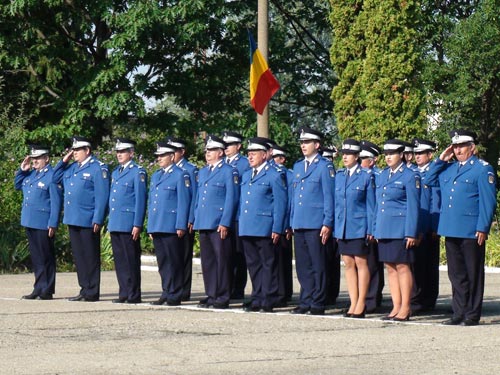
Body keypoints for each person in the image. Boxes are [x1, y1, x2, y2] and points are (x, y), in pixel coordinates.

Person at [425, 130, 496, 326]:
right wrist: (440, 160)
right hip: (450, 228)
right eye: (455, 147)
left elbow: (487, 202)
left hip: (471, 229)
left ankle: (472, 314)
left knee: (473, 273)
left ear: (472, 147)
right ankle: (459, 311)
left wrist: (483, 227)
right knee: (456, 274)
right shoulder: (448, 169)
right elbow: (428, 180)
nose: (458, 150)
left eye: (462, 146)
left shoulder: (482, 169)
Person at [53, 136, 110, 302]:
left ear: (87, 150)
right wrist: (63, 161)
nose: (74, 153)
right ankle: (84, 288)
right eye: (73, 150)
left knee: (90, 256)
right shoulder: (71, 168)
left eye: (77, 150)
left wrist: (98, 219)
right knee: (79, 257)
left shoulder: (98, 168)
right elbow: (54, 178)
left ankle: (92, 291)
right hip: (73, 218)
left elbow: (102, 196)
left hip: (88, 219)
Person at [290, 127, 335, 315]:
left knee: (318, 264)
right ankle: (305, 299)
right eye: (301, 142)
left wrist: (327, 222)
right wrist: (292, 220)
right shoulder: (298, 166)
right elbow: (294, 196)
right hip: (300, 222)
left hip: (316, 222)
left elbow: (329, 196)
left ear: (317, 145)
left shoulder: (325, 166)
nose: (303, 145)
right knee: (302, 265)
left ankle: (318, 301)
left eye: (307, 142)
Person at [239, 138, 288, 313]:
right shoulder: (246, 175)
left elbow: (280, 204)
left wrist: (277, 228)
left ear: (265, 155)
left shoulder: (274, 175)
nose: (250, 157)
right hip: (248, 226)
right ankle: (257, 296)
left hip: (265, 226)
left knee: (268, 264)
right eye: (248, 154)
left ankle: (268, 298)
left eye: (254, 154)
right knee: (253, 265)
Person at [373, 139, 420, 321]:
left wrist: (411, 232)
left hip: (400, 228)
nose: (388, 157)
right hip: (385, 227)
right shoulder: (383, 175)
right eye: (386, 154)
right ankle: (396, 306)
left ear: (401, 155)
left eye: (392, 154)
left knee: (402, 266)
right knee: (390, 267)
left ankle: (406, 307)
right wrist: (376, 228)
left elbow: (413, 207)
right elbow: (379, 204)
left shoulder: (409, 175)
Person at [194, 135, 239, 309]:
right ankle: (211, 293)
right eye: (207, 150)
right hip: (204, 221)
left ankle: (222, 295)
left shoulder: (228, 171)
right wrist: (195, 218)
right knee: (208, 261)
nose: (208, 153)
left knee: (222, 260)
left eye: (211, 150)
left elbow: (231, 198)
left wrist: (225, 222)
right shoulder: (204, 171)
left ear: (220, 152)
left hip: (218, 223)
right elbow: (199, 198)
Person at [15, 144, 62, 300]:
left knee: (46, 256)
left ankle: (47, 289)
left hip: (43, 222)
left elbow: (56, 202)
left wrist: (53, 223)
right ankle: (38, 287)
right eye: (33, 158)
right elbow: (17, 185)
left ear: (46, 159)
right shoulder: (31, 175)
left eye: (37, 158)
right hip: (30, 220)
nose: (34, 161)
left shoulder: (52, 175)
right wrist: (23, 169)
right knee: (36, 257)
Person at [334, 139, 375, 318]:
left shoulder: (366, 176)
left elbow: (371, 205)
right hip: (343, 226)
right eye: (343, 154)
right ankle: (353, 301)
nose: (345, 157)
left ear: (357, 156)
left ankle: (361, 302)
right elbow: (337, 204)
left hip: (359, 225)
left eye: (349, 154)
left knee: (361, 262)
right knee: (348, 263)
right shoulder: (340, 175)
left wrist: (371, 229)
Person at [148, 142, 191, 306]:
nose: (159, 158)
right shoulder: (156, 175)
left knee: (174, 261)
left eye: (162, 155)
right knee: (163, 262)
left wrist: (181, 225)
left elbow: (183, 202)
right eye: (158, 156)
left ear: (172, 157)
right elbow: (153, 203)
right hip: (158, 224)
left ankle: (175, 293)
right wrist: (151, 226)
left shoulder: (180, 175)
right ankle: (166, 291)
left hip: (171, 225)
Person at [108, 138, 147, 304]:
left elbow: (140, 200)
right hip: (116, 221)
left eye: (122, 152)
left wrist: (137, 223)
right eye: (117, 152)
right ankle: (123, 292)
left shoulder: (137, 172)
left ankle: (133, 294)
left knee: (130, 260)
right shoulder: (116, 172)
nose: (119, 155)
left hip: (128, 222)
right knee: (120, 261)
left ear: (131, 153)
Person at [166, 136, 199, 302]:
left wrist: (191, 218)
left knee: (184, 255)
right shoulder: (168, 170)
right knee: (172, 256)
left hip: (185, 219)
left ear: (182, 152)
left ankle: (184, 290)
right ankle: (172, 287)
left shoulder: (190, 170)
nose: (172, 153)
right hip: (171, 220)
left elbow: (193, 196)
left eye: (175, 151)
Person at [410, 138, 441, 313]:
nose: (417, 156)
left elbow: (436, 201)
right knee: (416, 265)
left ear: (430, 154)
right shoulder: (413, 172)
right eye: (416, 153)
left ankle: (428, 300)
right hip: (417, 225)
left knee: (429, 265)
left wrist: (435, 227)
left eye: (421, 153)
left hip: (429, 226)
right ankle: (417, 299)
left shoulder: (433, 172)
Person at [222, 131, 250, 300]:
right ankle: (226, 286)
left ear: (238, 146)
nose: (226, 149)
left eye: (230, 145)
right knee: (226, 254)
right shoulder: (222, 164)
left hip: (239, 214)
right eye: (224, 146)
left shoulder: (245, 164)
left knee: (239, 254)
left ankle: (238, 289)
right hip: (225, 214)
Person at [360, 140, 385, 313]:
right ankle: (361, 298)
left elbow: (376, 204)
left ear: (373, 160)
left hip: (373, 224)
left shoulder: (377, 176)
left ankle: (372, 299)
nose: (360, 161)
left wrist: (374, 227)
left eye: (363, 158)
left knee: (373, 264)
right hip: (359, 225)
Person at [272, 144, 294, 304]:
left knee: (283, 260)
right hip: (272, 222)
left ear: (283, 159)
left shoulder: (288, 175)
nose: (274, 161)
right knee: (274, 259)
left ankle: (284, 293)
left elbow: (289, 202)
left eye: (276, 158)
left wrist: (287, 224)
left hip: (284, 222)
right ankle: (276, 292)